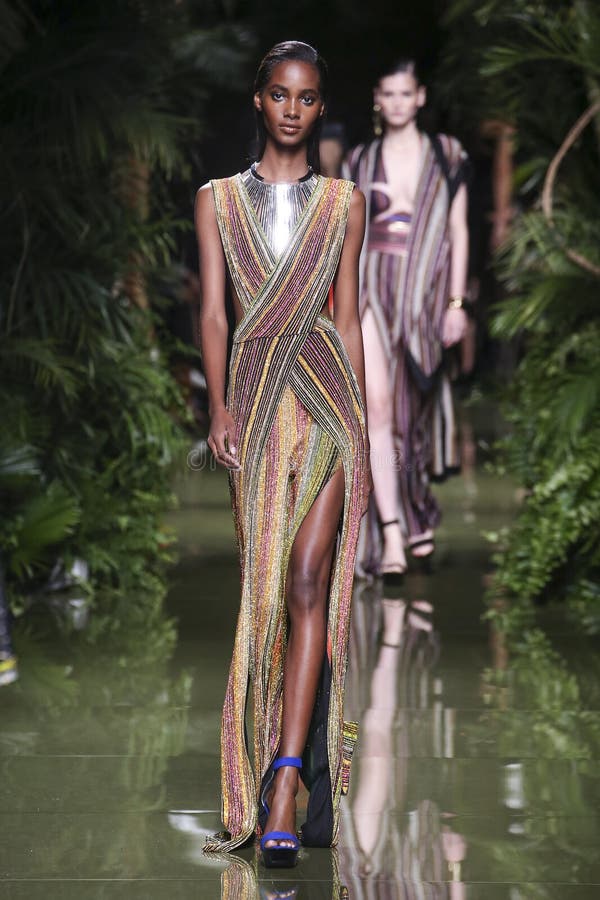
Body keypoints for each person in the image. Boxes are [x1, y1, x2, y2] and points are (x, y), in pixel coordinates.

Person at [195, 41, 370, 866]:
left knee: (307, 580)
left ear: (319, 107)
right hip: (260, 402)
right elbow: (214, 312)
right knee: (263, 595)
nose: (293, 108)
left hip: (329, 398)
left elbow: (350, 314)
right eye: (279, 94)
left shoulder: (344, 202)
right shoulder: (217, 200)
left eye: (307, 97)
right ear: (258, 101)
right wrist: (218, 404)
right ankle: (272, 763)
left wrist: (364, 432)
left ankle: (288, 782)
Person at [344, 59, 469, 577]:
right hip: (372, 285)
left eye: (405, 93)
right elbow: (348, 238)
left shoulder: (446, 153)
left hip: (427, 294)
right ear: (378, 99)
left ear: (420, 97)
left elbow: (458, 230)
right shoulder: (358, 160)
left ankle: (415, 508)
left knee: (411, 415)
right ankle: (392, 533)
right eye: (387, 94)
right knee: (377, 410)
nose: (396, 102)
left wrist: (457, 304)